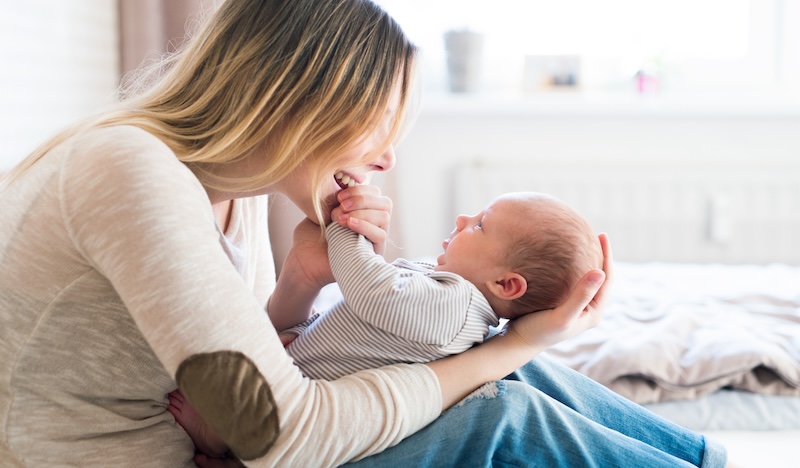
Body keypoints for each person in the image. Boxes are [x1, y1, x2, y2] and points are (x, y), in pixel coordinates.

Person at [0, 0, 724, 467]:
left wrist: (299, 284)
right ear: (301, 99)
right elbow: (282, 431)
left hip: (222, 445)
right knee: (497, 401)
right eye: (381, 124)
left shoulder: (234, 189)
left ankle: (707, 459)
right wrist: (513, 346)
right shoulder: (130, 170)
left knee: (502, 366)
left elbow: (222, 360)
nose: (386, 158)